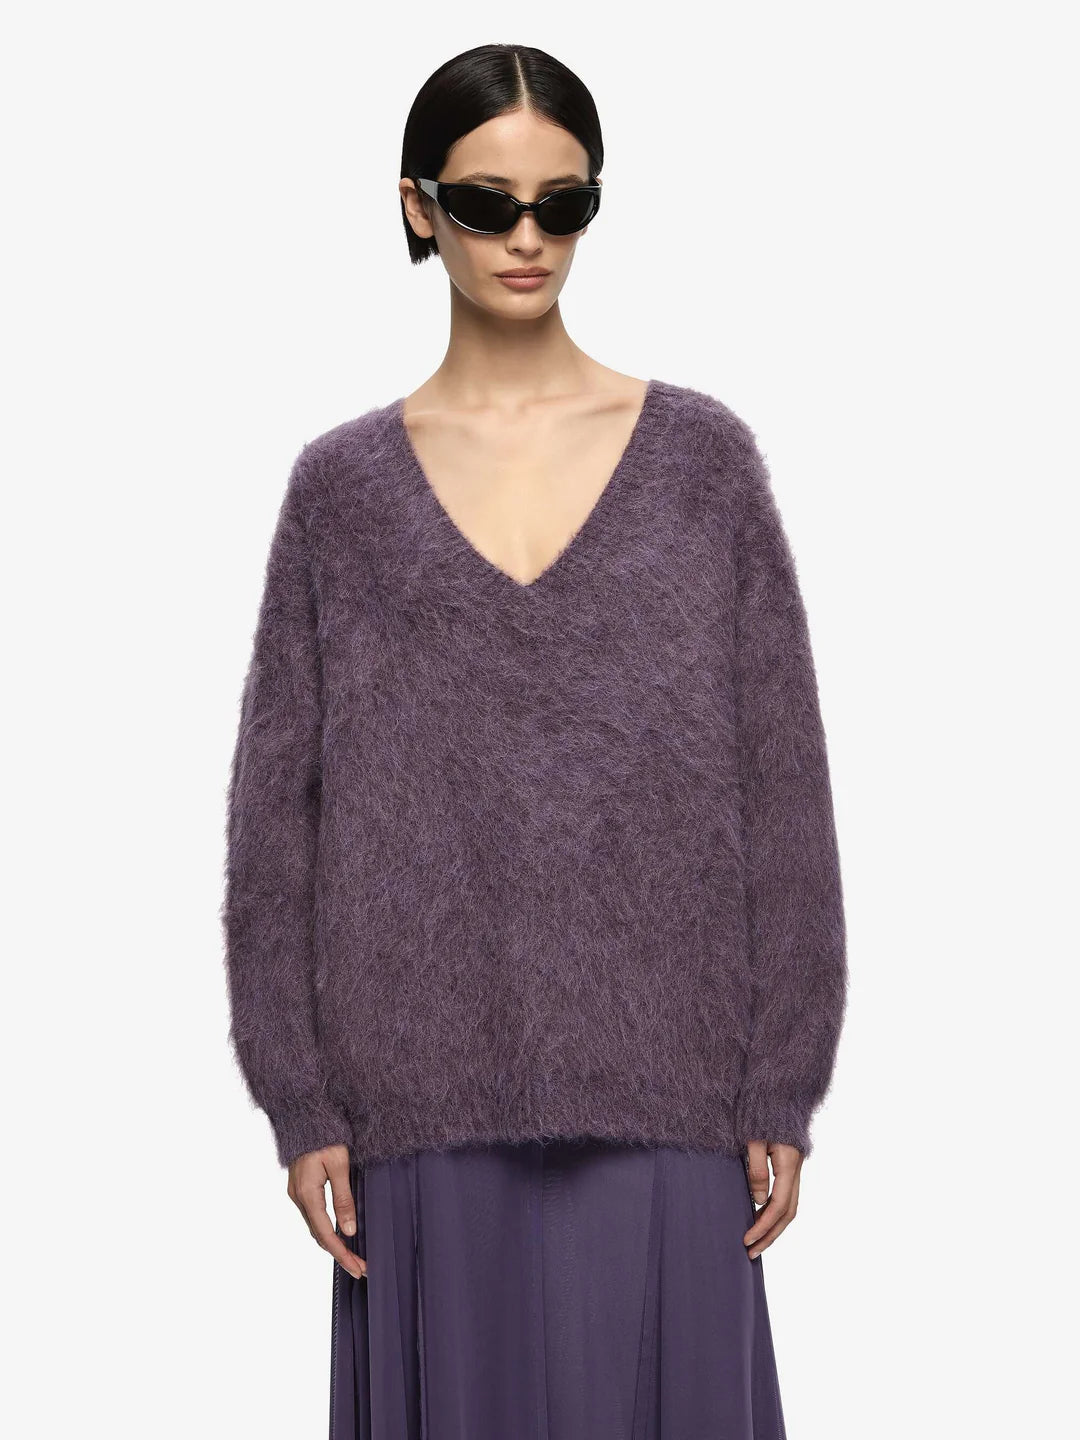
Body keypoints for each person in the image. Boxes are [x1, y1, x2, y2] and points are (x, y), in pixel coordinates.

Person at [222, 42, 848, 1440]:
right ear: (416, 205)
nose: (526, 239)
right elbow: (276, 823)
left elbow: (784, 781)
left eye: (563, 206)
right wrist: (298, 1097)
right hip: (417, 1108)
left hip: (674, 1099)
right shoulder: (342, 495)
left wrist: (784, 1075)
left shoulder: (702, 463)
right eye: (487, 203)